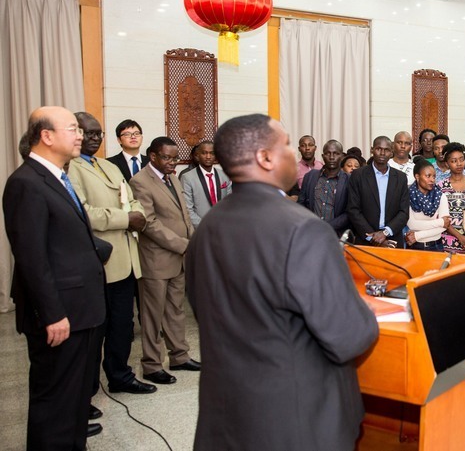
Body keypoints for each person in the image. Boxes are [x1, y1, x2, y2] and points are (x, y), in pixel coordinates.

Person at [184, 114, 378, 450]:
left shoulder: (207, 227)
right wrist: (365, 311)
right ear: (265, 157)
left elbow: (209, 312)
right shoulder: (304, 229)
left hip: (227, 413)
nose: (294, 154)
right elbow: (348, 337)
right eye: (287, 145)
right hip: (296, 420)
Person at [4, 106, 108, 448]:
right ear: (46, 136)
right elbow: (32, 258)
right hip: (60, 316)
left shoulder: (58, 177)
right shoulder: (26, 183)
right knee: (55, 404)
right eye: (73, 129)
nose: (81, 136)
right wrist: (52, 314)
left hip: (81, 310)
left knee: (74, 401)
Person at [67, 112, 157, 403]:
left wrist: (137, 214)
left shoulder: (108, 166)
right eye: (88, 133)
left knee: (122, 325)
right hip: (99, 261)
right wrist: (125, 218)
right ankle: (87, 391)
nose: (94, 138)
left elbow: (133, 201)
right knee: (96, 331)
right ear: (76, 134)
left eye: (98, 133)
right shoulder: (70, 168)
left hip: (126, 259)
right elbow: (83, 213)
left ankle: (120, 376)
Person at [130, 136, 201, 385]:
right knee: (153, 315)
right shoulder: (140, 181)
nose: (173, 162)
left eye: (175, 158)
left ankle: (179, 356)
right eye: (167, 158)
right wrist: (183, 245)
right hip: (156, 260)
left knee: (175, 310)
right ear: (153, 156)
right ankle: (151, 365)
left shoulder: (173, 177)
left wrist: (192, 239)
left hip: (179, 258)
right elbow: (148, 223)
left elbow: (184, 215)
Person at [347, 136, 410, 247]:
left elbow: (404, 212)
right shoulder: (358, 175)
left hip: (392, 239)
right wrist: (372, 237)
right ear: (372, 150)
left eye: (386, 150)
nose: (382, 153)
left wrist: (385, 233)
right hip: (365, 239)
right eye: (378, 149)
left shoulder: (400, 178)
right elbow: (353, 209)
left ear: (391, 152)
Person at [297, 140, 350, 235]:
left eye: (336, 153)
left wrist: (326, 227)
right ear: (322, 156)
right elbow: (301, 204)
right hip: (310, 232)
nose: (331, 157)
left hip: (336, 235)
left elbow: (350, 212)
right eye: (328, 153)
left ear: (342, 156)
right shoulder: (310, 176)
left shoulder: (349, 180)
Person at [179, 140, 232, 228]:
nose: (208, 157)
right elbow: (188, 209)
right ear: (197, 156)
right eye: (204, 153)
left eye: (212, 153)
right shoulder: (187, 177)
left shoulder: (224, 175)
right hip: (201, 228)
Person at [405, 158, 450, 251]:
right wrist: (441, 222)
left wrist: (418, 235)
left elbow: (445, 226)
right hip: (415, 246)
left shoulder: (440, 196)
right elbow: (412, 224)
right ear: (417, 177)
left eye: (434, 176)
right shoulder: (408, 195)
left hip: (436, 245)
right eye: (428, 176)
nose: (432, 180)